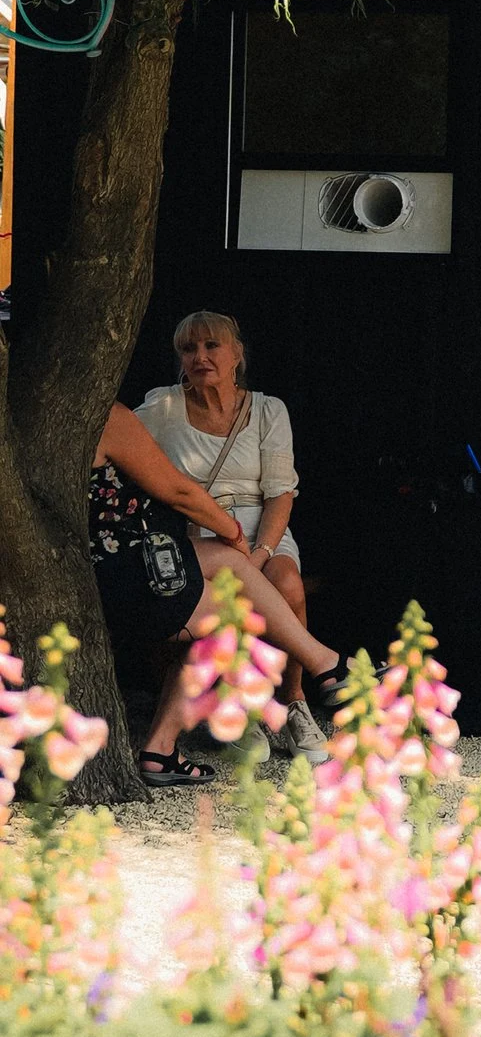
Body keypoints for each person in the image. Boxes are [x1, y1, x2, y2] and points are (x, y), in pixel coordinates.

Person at [88, 402, 349, 790]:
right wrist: (232, 529)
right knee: (233, 607)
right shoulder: (104, 414)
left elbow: (280, 492)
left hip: (114, 559)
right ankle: (167, 745)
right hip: (125, 572)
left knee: (230, 564)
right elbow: (178, 491)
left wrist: (237, 545)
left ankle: (324, 664)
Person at [138, 309, 326, 762]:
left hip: (261, 528)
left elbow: (281, 493)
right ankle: (240, 704)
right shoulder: (162, 407)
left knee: (286, 585)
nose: (200, 356)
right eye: (188, 348)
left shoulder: (267, 409)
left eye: (211, 345)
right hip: (194, 529)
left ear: (237, 354)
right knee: (218, 601)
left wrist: (258, 553)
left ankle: (295, 702)